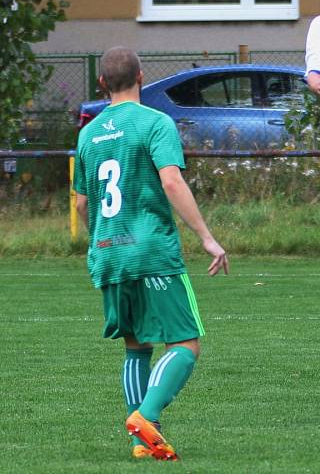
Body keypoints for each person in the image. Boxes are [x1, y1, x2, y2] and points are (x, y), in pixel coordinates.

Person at [73, 47, 228, 460]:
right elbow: (172, 182)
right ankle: (147, 414)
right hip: (151, 251)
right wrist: (206, 237)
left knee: (136, 344)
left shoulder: (88, 133)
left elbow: (82, 204)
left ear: (102, 83)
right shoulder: (156, 123)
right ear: (141, 76)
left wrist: (100, 241)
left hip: (107, 253)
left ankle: (142, 443)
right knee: (185, 342)